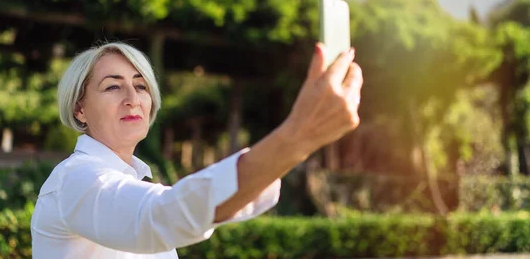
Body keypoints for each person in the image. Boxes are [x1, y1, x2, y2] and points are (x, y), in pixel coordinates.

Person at [31, 41, 363, 258]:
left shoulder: (135, 183)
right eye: (113, 86)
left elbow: (179, 210)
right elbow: (162, 215)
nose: (132, 97)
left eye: (141, 85)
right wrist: (296, 138)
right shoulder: (76, 180)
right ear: (80, 110)